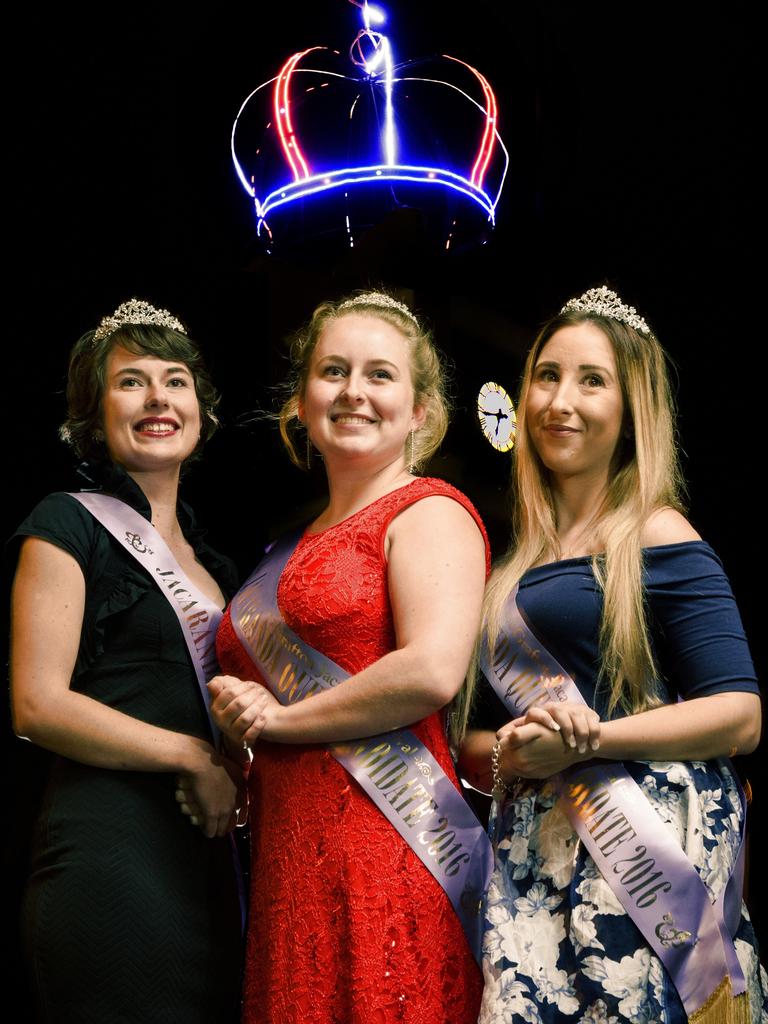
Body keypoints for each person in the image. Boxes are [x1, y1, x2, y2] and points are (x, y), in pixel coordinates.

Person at [459, 286, 767, 1024]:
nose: (561, 400)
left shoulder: (658, 535)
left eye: (591, 381)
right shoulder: (505, 568)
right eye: (547, 376)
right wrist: (510, 757)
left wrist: (591, 739)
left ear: (631, 411)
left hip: (646, 849)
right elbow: (472, 739)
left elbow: (740, 715)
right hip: (536, 854)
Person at [204, 290, 491, 1024]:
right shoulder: (283, 546)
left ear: (421, 410)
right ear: (300, 402)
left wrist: (280, 718)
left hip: (386, 851)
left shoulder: (428, 511)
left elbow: (430, 670)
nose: (354, 391)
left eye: (380, 374)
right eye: (333, 370)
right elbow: (258, 703)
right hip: (286, 860)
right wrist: (236, 717)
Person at [9, 299, 245, 1023]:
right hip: (112, 855)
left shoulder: (220, 570)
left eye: (175, 381)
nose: (157, 399)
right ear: (94, 412)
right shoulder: (67, 522)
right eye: (131, 382)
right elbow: (36, 705)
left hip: (205, 862)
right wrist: (191, 755)